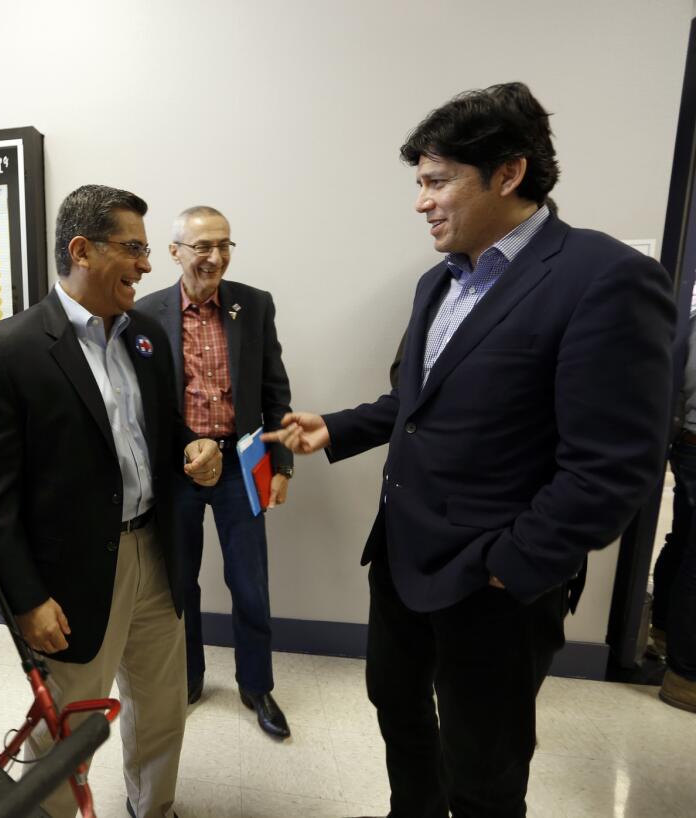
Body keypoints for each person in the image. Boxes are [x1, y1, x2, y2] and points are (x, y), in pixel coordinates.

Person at [265, 82, 672, 817]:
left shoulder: (603, 279)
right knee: (397, 708)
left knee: (484, 763)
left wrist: (509, 568)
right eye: (419, 182)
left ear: (508, 174)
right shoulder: (437, 283)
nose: (421, 202)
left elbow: (613, 469)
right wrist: (340, 427)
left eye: (436, 180)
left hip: (492, 584)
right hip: (400, 558)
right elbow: (417, 403)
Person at [0, 184, 222, 818]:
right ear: (81, 249)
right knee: (68, 724)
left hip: (156, 554)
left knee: (161, 706)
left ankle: (152, 807)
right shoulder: (9, 348)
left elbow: (162, 432)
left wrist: (196, 449)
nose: (148, 264)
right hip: (70, 578)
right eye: (132, 248)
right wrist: (26, 598)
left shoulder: (146, 337)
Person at [136, 206, 294, 738]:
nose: (215, 256)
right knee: (179, 582)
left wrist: (282, 463)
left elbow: (274, 388)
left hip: (242, 466)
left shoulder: (254, 305)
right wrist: (187, 449)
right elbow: (144, 403)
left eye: (224, 245)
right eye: (202, 246)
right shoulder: (144, 313)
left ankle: (257, 685)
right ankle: (189, 678)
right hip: (179, 467)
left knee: (249, 582)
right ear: (175, 251)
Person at [655, 284, 696, 712]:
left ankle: (665, 632)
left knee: (683, 543)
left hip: (688, 440)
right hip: (694, 443)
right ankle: (686, 674)